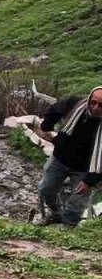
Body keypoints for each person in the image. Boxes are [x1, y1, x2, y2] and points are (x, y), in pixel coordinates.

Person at [37, 86, 102, 226]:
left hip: (84, 169)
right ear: (89, 99)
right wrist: (47, 128)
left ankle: (67, 228)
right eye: (93, 102)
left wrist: (89, 181)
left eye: (101, 105)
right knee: (45, 190)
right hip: (60, 159)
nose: (96, 108)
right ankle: (56, 213)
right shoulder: (74, 104)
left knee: (77, 203)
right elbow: (55, 109)